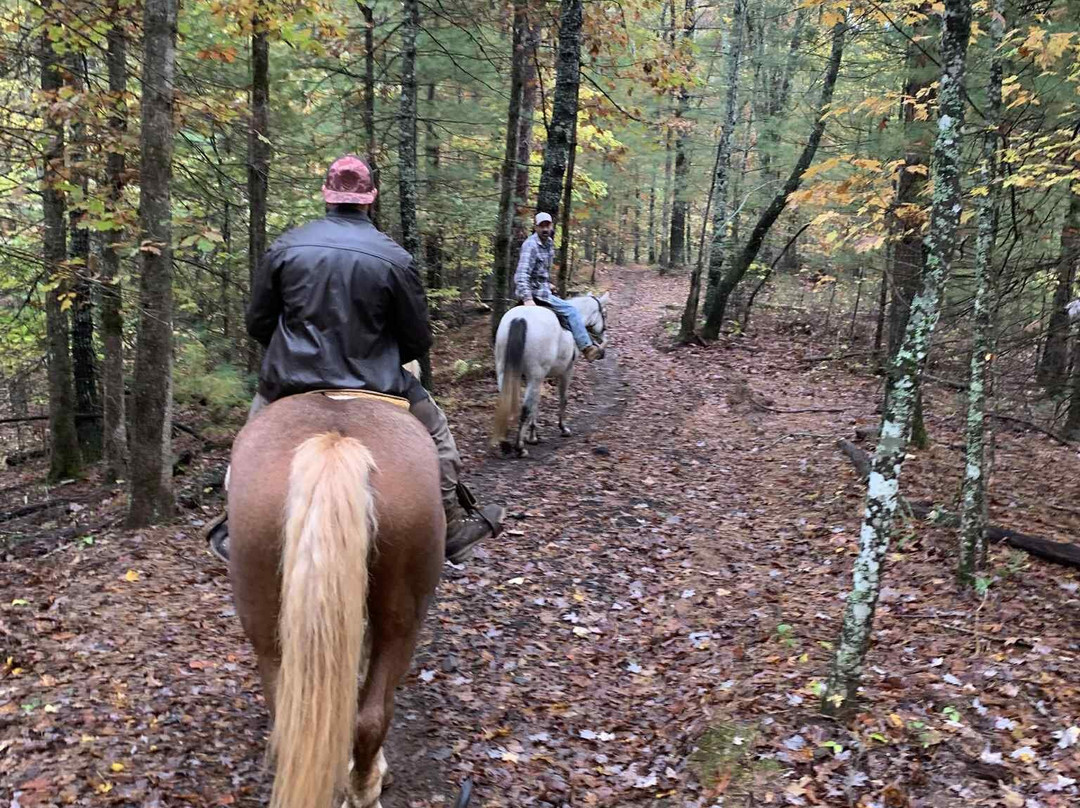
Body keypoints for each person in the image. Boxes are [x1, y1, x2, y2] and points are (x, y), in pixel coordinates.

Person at [203, 154, 504, 564]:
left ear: (327, 196)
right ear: (369, 200)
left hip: (289, 382)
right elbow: (416, 341)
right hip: (376, 384)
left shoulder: (286, 246)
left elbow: (258, 323)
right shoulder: (395, 258)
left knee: (250, 439)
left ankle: (236, 524)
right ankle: (450, 523)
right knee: (437, 436)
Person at [514, 212, 602, 361]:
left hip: (541, 289)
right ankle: (586, 347)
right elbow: (521, 274)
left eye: (547, 225)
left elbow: (537, 272)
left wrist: (547, 283)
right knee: (572, 311)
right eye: (541, 225)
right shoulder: (531, 245)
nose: (545, 228)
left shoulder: (548, 244)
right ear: (535, 227)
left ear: (552, 226)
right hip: (535, 294)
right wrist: (527, 298)